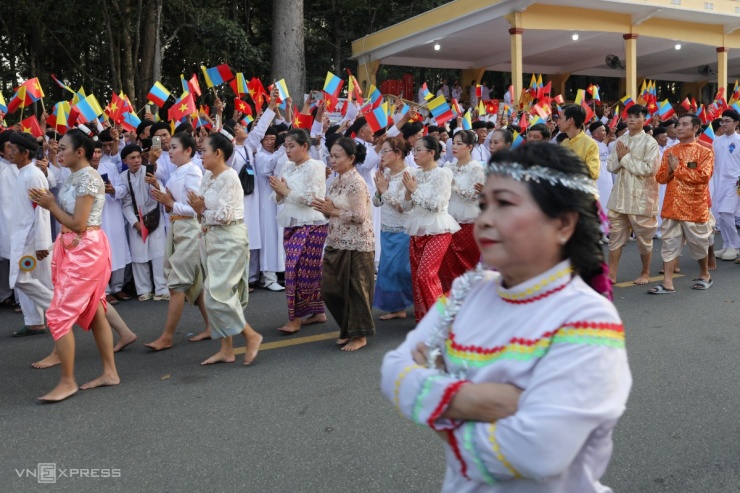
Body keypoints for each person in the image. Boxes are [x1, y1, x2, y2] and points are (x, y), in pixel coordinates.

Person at [381, 143, 631, 493]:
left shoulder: (587, 318)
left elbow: (539, 452)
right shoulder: (468, 292)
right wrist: (478, 401)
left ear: (562, 224)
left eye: (505, 204)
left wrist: (434, 400)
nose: (484, 219)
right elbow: (393, 369)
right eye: (485, 205)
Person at [28, 129, 120, 402]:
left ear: (80, 152)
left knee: (58, 314)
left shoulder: (89, 179)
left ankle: (67, 381)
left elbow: (79, 224)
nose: (58, 151)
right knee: (96, 312)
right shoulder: (73, 176)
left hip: (85, 250)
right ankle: (109, 372)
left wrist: (50, 204)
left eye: (64, 147)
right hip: (72, 247)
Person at [187, 133, 263, 365]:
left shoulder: (230, 177)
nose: (201, 156)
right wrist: (201, 214)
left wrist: (201, 211)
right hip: (211, 239)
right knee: (221, 294)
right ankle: (226, 349)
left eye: (204, 151)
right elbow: (202, 207)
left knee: (215, 294)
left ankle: (251, 335)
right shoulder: (208, 176)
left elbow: (225, 215)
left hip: (229, 239)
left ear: (217, 153)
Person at [145, 132, 211, 350]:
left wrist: (169, 202)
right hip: (176, 227)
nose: (169, 151)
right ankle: (212, 326)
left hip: (188, 229)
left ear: (188, 150)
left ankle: (167, 336)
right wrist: (158, 186)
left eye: (174, 147)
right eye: (170, 147)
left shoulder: (192, 172)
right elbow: (170, 201)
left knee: (176, 284)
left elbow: (195, 208)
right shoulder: (176, 173)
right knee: (195, 283)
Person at [313, 138, 376, 351]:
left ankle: (359, 335)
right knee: (330, 288)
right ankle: (348, 328)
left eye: (337, 156)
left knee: (357, 290)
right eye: (331, 155)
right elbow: (334, 210)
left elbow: (359, 216)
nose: (332, 160)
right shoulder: (338, 180)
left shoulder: (356, 182)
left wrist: (333, 211)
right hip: (337, 239)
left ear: (351, 159)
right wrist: (324, 207)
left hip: (357, 242)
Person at [270, 129, 329, 334]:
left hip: (312, 223)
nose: (287, 150)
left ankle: (294, 318)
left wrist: (286, 192)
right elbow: (280, 198)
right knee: (306, 271)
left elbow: (312, 199)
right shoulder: (287, 166)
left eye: (292, 146)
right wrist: (279, 192)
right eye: (285, 146)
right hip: (292, 222)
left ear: (304, 146)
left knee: (295, 271)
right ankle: (318, 312)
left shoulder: (315, 166)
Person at [650, 114, 714, 294]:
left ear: (695, 128)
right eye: (678, 125)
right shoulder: (670, 151)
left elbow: (703, 177)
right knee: (669, 243)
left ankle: (705, 274)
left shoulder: (705, 151)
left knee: (699, 244)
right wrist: (670, 169)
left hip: (694, 206)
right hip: (672, 205)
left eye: (685, 125)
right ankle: (667, 282)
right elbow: (660, 178)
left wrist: (677, 169)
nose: (679, 128)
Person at [401, 135, 460, 322]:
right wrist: (409, 191)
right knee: (418, 277)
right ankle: (424, 318)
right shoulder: (415, 174)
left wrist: (414, 190)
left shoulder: (442, 174)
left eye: (419, 149)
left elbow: (436, 205)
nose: (414, 153)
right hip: (417, 228)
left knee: (426, 274)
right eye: (414, 149)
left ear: (431, 153)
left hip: (438, 229)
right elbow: (407, 207)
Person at [606, 104, 660, 285]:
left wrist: (625, 158)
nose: (631, 119)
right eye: (629, 116)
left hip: (641, 197)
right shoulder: (620, 140)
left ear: (645, 120)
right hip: (620, 195)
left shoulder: (650, 143)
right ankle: (611, 273)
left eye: (636, 116)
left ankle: (645, 272)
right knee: (615, 235)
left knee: (644, 238)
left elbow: (649, 170)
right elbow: (610, 166)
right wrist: (621, 158)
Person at [7, 132, 53, 336]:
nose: (9, 153)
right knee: (30, 278)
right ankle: (35, 321)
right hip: (23, 237)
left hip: (32, 238)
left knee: (21, 278)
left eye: (13, 149)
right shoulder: (23, 172)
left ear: (25, 153)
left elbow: (42, 209)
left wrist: (42, 243)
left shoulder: (33, 174)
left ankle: (57, 309)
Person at [119, 144, 168, 301]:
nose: (136, 160)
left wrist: (154, 182)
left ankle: (161, 289)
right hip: (136, 220)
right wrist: (135, 224)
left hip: (154, 216)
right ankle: (144, 290)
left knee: (158, 253)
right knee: (139, 255)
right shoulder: (123, 177)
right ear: (124, 160)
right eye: (132, 158)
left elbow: (161, 190)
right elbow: (125, 204)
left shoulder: (148, 170)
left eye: (138, 157)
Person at [439, 130, 484, 292]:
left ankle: (468, 304)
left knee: (467, 264)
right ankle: (449, 303)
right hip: (448, 219)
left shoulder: (476, 168)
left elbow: (473, 194)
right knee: (446, 264)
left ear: (470, 147)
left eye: (460, 144)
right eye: (454, 143)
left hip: (468, 221)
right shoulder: (447, 166)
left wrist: (452, 185)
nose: (455, 147)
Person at [712, 109, 740, 261]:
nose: (723, 124)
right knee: (720, 216)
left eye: (727, 121)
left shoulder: (739, 140)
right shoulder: (717, 141)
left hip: (735, 183)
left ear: (736, 123)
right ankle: (727, 244)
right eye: (722, 121)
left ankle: (735, 246)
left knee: (727, 212)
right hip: (719, 183)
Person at [558, 104, 600, 179]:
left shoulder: (590, 144)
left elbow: (593, 173)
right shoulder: (564, 143)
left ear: (570, 120)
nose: (557, 122)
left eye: (560, 118)